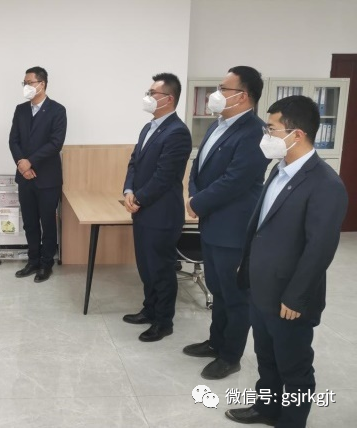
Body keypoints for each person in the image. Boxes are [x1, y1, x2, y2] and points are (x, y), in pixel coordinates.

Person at [226, 96, 348, 427]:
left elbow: (319, 249)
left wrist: (296, 297)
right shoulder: (277, 170)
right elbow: (261, 227)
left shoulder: (326, 184)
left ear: (297, 134)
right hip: (261, 289)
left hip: (289, 299)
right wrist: (247, 265)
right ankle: (266, 408)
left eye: (271, 129)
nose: (265, 136)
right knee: (266, 358)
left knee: (294, 368)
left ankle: (291, 421)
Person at [183, 66, 270, 379]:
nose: (215, 94)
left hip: (233, 227)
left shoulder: (255, 132)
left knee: (234, 295)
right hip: (211, 222)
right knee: (218, 289)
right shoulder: (218, 124)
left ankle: (230, 356)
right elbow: (198, 165)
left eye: (223, 88)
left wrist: (198, 202)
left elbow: (235, 180)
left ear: (242, 95)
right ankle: (215, 342)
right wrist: (194, 195)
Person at [122, 73, 192, 342]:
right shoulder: (149, 127)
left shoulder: (178, 132)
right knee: (146, 266)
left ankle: (163, 322)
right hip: (142, 210)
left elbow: (164, 176)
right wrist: (129, 191)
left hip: (161, 213)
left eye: (152, 93)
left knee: (161, 269)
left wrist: (138, 199)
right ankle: (149, 310)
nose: (148, 97)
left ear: (169, 99)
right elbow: (134, 162)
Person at [9, 66, 67, 283]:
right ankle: (32, 261)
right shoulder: (20, 110)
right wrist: (22, 165)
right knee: (30, 222)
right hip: (25, 177)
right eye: (24, 83)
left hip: (48, 178)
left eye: (29, 82)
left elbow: (55, 143)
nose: (26, 86)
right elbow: (13, 140)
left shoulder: (57, 110)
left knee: (47, 223)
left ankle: (46, 264)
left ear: (42, 84)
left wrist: (30, 161)